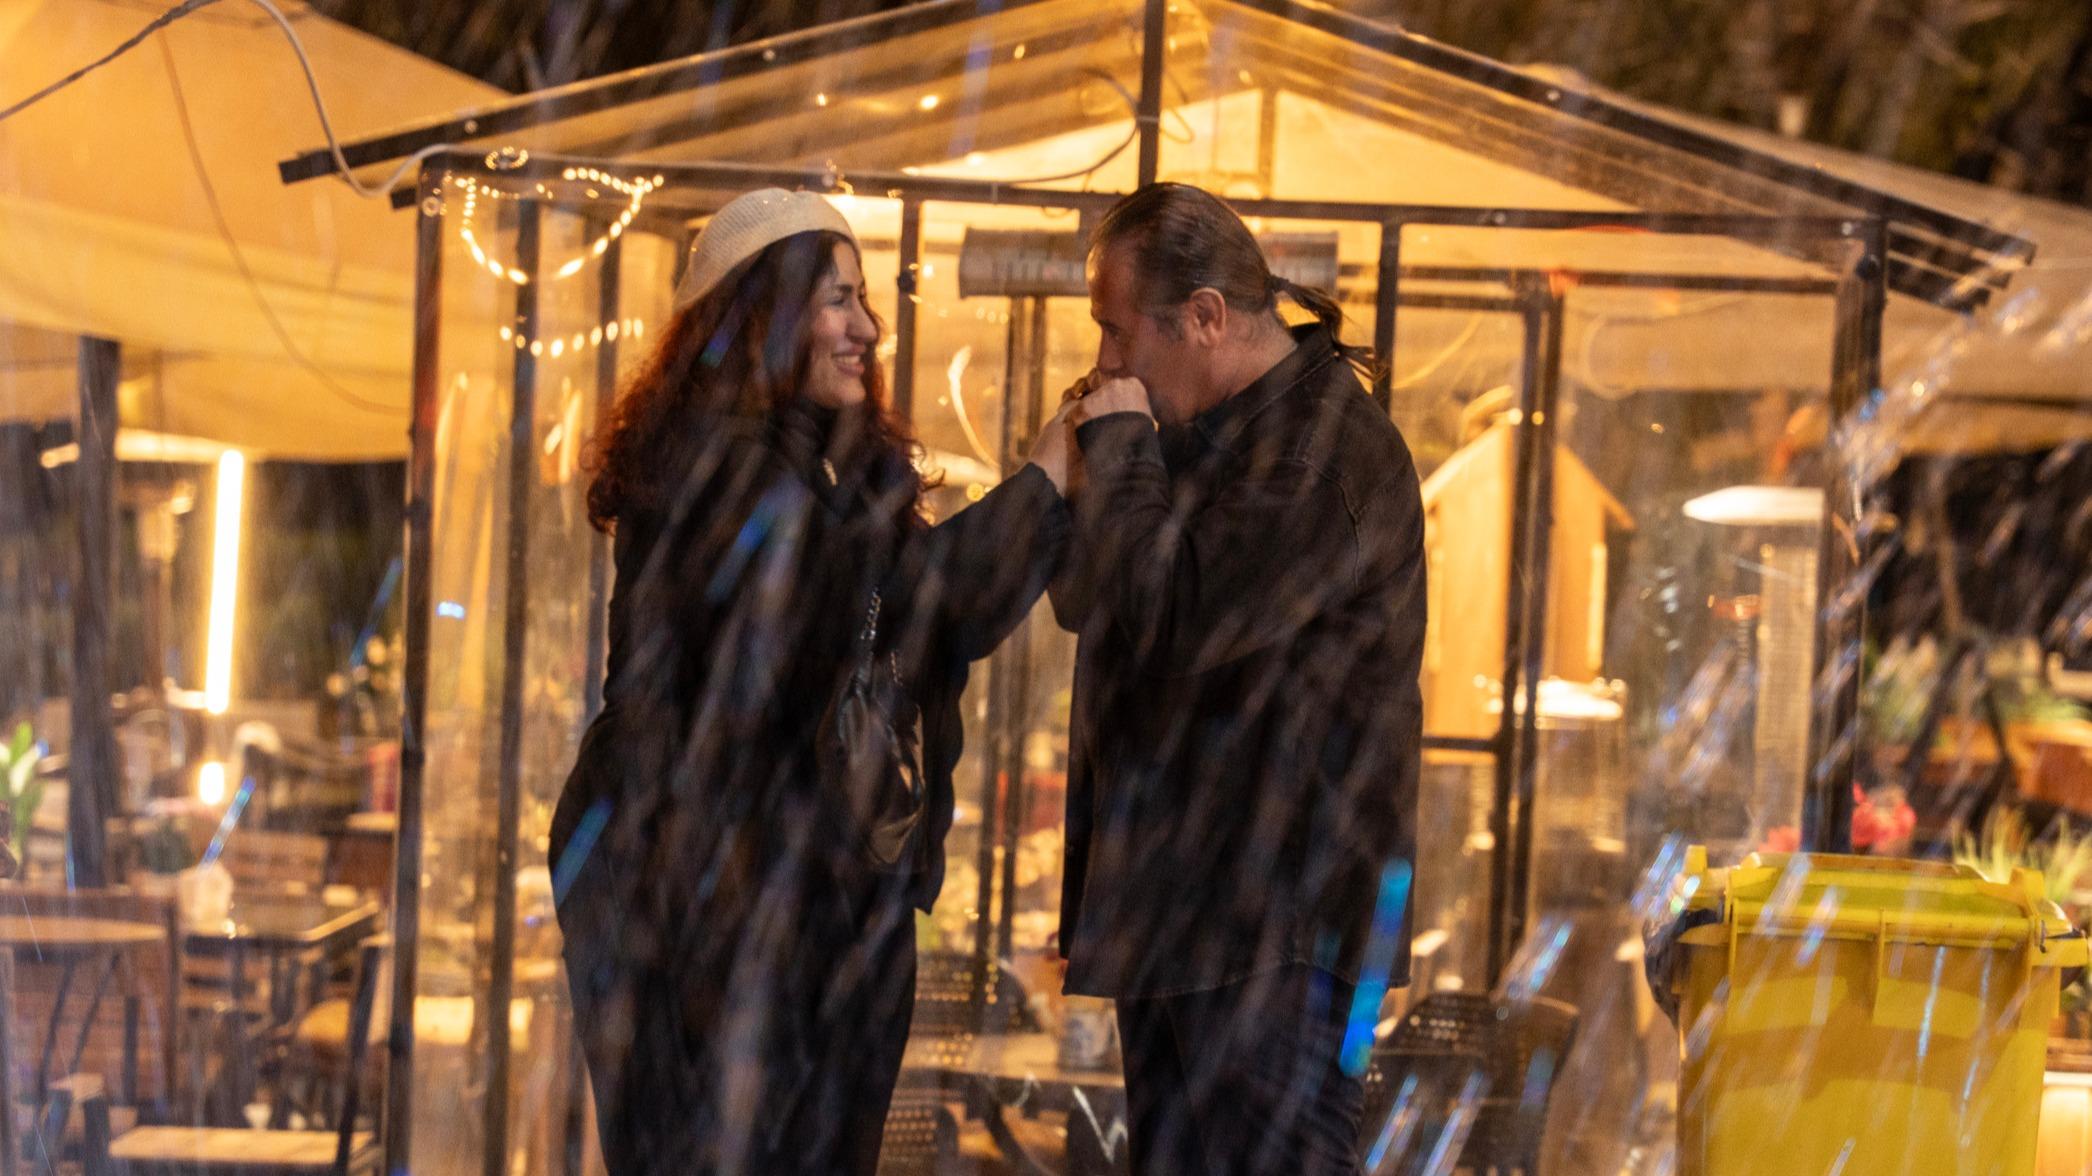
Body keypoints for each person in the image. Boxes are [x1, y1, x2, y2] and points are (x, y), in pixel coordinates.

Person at [548, 188, 1074, 1175]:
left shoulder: (824, 471)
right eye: (838, 300)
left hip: (780, 892)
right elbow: (896, 605)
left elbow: (913, 610)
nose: (868, 328)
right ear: (764, 315)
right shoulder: (717, 468)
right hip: (692, 894)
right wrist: (1043, 485)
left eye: (863, 300)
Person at [1051, 182, 1427, 1174]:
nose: (1106, 361)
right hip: (1186, 919)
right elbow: (1087, 600)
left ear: (1207, 316)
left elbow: (1178, 615)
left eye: (1117, 330)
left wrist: (1119, 449)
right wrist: (1085, 469)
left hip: (1278, 933)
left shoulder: (1323, 455)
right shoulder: (1200, 434)